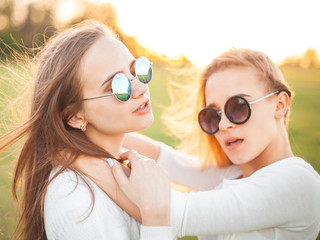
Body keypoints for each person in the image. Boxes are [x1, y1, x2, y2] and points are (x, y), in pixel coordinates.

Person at [111, 48, 320, 239]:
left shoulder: (298, 182)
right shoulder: (234, 175)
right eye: (212, 115)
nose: (223, 124)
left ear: (280, 104)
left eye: (238, 106)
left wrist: (84, 154)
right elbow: (165, 157)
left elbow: (164, 210)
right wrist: (93, 130)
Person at [0, 20, 177, 240]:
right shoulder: (75, 203)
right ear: (74, 116)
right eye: (118, 86)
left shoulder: (116, 164)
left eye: (137, 69)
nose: (141, 88)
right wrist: (157, 221)